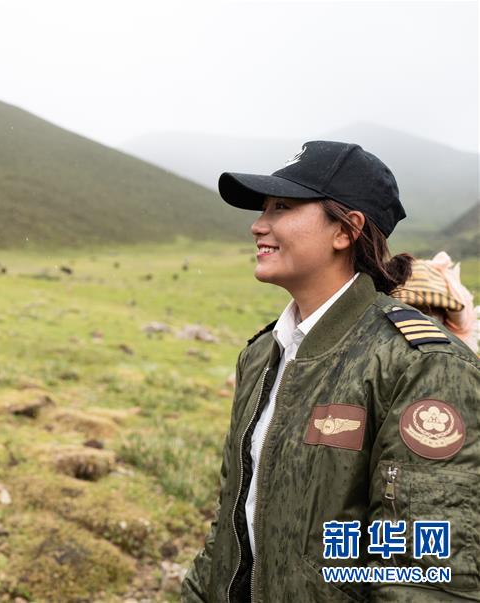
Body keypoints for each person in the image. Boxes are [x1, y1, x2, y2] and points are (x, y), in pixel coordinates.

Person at [180, 141, 480, 601]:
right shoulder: (261, 354)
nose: (258, 224)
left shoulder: (421, 362)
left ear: (346, 230)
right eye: (263, 209)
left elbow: (427, 575)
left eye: (282, 207)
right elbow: (231, 523)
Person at [392, 252, 478, 353]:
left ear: (444, 315)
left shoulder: (457, 358)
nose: (423, 317)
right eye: (413, 309)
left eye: (431, 310)